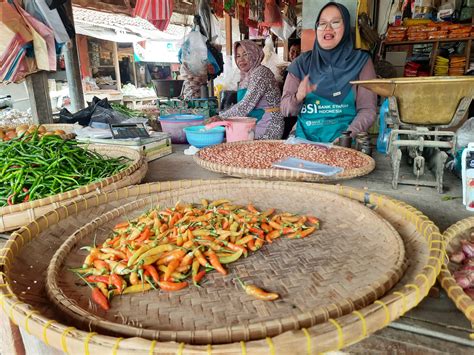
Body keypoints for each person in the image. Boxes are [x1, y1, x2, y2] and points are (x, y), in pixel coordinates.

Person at [280, 2, 377, 143]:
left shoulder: (361, 62)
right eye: (322, 23)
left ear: (346, 27)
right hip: (304, 142)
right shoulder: (301, 63)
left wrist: (347, 136)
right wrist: (298, 96)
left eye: (335, 22)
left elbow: (367, 110)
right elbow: (285, 110)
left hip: (345, 143)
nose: (328, 28)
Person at [215, 40, 284, 140]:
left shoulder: (260, 73)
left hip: (268, 124)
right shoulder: (246, 76)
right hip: (256, 122)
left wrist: (220, 117)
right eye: (238, 56)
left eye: (245, 54)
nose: (241, 60)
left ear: (254, 54)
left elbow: (246, 105)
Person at [281, 40, 301, 139]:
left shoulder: (302, 70)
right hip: (287, 108)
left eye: (298, 52)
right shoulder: (288, 71)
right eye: (292, 51)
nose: (295, 54)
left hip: (297, 111)